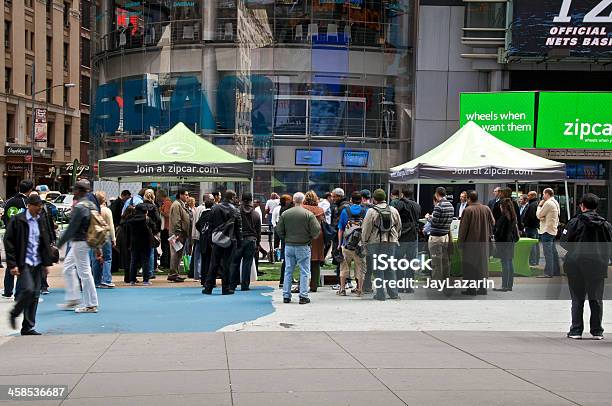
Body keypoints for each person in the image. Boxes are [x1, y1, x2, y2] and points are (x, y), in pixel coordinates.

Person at [561, 193, 612, 340]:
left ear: (582, 205)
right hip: (597, 265)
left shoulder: (574, 222)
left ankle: (576, 330)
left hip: (576, 265)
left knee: (577, 298)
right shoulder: (606, 225)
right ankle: (597, 331)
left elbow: (564, 242)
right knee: (596, 299)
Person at [6, 195, 54, 335]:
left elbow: (44, 242)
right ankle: (14, 313)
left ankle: (28, 326)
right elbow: (8, 242)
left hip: (37, 262)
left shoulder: (40, 220)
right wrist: (12, 264)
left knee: (35, 295)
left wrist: (46, 263)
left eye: (41, 206)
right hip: (23, 262)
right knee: (28, 290)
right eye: (37, 206)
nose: (40, 208)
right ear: (29, 205)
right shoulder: (18, 219)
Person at [57, 180, 99, 313]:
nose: (73, 192)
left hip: (79, 241)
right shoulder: (90, 204)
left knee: (84, 272)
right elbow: (97, 225)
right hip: (87, 240)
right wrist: (98, 247)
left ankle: (90, 304)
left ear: (78, 191)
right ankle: (74, 298)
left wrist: (59, 244)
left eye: (75, 189)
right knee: (68, 268)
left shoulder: (80, 207)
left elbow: (72, 228)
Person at [276, 192, 321, 304]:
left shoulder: (285, 214)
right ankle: (303, 296)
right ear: (303, 200)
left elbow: (279, 230)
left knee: (288, 270)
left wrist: (286, 238)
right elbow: (316, 230)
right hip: (303, 245)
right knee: (304, 271)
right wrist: (310, 238)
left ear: (293, 200)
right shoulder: (308, 214)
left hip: (289, 245)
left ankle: (286, 295)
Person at [362, 189, 402, 301]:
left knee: (378, 268)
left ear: (374, 199)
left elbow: (366, 229)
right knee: (389, 267)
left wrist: (365, 241)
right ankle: (393, 293)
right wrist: (395, 237)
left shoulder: (371, 211)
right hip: (391, 242)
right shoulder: (393, 210)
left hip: (375, 242)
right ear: (385, 198)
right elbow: (399, 226)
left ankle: (380, 294)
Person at [203, 190, 242, 295]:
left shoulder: (215, 208)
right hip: (230, 240)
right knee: (227, 265)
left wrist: (210, 239)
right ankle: (226, 288)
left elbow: (209, 225)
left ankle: (208, 287)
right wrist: (239, 242)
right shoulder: (235, 210)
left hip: (216, 239)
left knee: (214, 264)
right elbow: (238, 228)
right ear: (232, 198)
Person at [458, 190, 495, 295]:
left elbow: (463, 229)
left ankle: (471, 289)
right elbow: (493, 222)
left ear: (469, 199)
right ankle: (482, 288)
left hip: (470, 244)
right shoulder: (486, 208)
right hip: (484, 243)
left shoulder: (468, 210)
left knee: (470, 266)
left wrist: (460, 244)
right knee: (482, 266)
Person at [2, 180, 34, 299]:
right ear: (30, 190)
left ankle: (7, 290)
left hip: (9, 236)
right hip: (22, 237)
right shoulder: (27, 203)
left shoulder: (9, 202)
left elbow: (5, 218)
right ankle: (19, 293)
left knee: (11, 263)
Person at [337, 191, 368, 296]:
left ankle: (342, 289)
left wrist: (339, 243)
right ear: (361, 200)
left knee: (344, 266)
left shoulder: (345, 211)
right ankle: (359, 289)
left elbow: (341, 229)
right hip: (360, 245)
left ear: (351, 200)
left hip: (347, 244)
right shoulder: (366, 211)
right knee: (360, 267)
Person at [230, 193, 261, 291]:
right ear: (251, 200)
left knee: (235, 262)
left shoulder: (236, 211)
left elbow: (232, 226)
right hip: (251, 240)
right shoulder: (256, 214)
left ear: (241, 200)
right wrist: (258, 243)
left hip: (238, 239)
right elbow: (258, 231)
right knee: (247, 263)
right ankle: (245, 285)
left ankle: (232, 284)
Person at [394, 189, 421, 293]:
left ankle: (400, 285)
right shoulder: (417, 205)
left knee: (400, 261)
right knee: (411, 261)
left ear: (403, 194)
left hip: (402, 236)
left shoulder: (400, 204)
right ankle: (409, 286)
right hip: (413, 236)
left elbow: (395, 218)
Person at [426, 187, 455, 286]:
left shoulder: (439, 206)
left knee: (436, 261)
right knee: (445, 260)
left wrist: (428, 218)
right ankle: (446, 280)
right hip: (445, 236)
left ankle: (437, 282)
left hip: (436, 237)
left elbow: (434, 223)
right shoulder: (450, 205)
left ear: (437, 194)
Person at [493, 198, 519, 292]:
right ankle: (509, 285)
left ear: (503, 207)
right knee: (509, 263)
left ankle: (504, 286)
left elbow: (500, 232)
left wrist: (495, 238)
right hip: (510, 242)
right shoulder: (513, 216)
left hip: (504, 243)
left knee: (505, 264)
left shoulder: (504, 217)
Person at [303, 191, 325, 293]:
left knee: (303, 261)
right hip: (318, 236)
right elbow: (323, 222)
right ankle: (314, 285)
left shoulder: (302, 208)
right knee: (315, 260)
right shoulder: (320, 210)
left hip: (305, 234)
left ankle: (302, 284)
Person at [92, 192, 116, 288]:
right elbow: (111, 225)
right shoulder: (107, 210)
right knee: (107, 258)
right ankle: (106, 279)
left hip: (95, 236)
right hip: (105, 236)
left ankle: (96, 280)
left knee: (95, 259)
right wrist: (113, 238)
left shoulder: (93, 210)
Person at [126, 204, 154, 286]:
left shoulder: (131, 219)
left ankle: (132, 280)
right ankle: (145, 280)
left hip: (134, 242)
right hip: (146, 242)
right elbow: (154, 227)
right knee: (145, 261)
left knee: (133, 261)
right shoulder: (147, 219)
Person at [536, 188, 561, 278]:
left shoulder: (548, 203)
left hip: (546, 230)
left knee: (548, 253)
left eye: (543, 194)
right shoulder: (555, 202)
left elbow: (539, 215)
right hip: (552, 230)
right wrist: (543, 217)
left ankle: (548, 272)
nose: (543, 196)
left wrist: (539, 206)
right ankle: (556, 271)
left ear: (547, 194)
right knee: (553, 252)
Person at [330, 188, 351, 290]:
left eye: (334, 196)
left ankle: (341, 282)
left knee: (340, 258)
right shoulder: (346, 205)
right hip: (347, 237)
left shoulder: (341, 207)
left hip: (340, 237)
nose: (332, 198)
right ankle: (348, 281)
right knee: (345, 259)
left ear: (339, 196)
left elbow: (338, 225)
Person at [138, 189, 161, 280]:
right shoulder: (154, 207)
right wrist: (156, 230)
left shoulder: (139, 206)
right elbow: (158, 219)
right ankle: (150, 272)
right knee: (151, 251)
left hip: (140, 230)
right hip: (151, 231)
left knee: (140, 252)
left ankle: (143, 270)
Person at [168, 189, 190, 282]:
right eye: (185, 194)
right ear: (180, 195)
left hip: (181, 234)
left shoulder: (180, 204)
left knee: (178, 254)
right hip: (177, 234)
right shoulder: (177, 205)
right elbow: (176, 220)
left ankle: (175, 273)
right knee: (175, 254)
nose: (187, 196)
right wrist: (178, 233)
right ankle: (173, 274)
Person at [196, 195, 215, 287]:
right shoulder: (213, 214)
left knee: (204, 260)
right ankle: (211, 281)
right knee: (212, 261)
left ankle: (203, 280)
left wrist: (202, 232)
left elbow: (197, 225)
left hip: (203, 240)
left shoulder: (203, 214)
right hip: (211, 240)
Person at [275, 194, 293, 288]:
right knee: (287, 260)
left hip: (286, 237)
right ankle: (283, 280)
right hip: (288, 237)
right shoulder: (285, 210)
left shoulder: (283, 209)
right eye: (289, 199)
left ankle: (286, 279)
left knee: (287, 260)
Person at [191, 194, 211, 281]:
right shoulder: (204, 210)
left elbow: (197, 224)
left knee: (197, 255)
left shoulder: (198, 208)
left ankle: (197, 274)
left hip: (197, 234)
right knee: (201, 255)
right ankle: (199, 274)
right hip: (202, 236)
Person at [111, 190, 131, 273]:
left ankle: (116, 266)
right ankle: (117, 265)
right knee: (118, 248)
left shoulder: (117, 203)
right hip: (117, 227)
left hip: (117, 227)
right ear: (124, 195)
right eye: (127, 197)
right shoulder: (119, 203)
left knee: (117, 248)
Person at [116, 206, 135, 283]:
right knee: (131, 260)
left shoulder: (123, 220)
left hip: (122, 241)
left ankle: (127, 277)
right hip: (129, 241)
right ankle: (130, 277)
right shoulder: (130, 221)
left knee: (127, 260)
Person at [523, 191, 541, 266]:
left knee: (532, 245)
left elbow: (531, 216)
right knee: (535, 245)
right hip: (534, 227)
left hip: (531, 227)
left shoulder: (533, 205)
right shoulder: (535, 203)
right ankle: (535, 260)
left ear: (533, 196)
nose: (527, 196)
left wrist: (526, 223)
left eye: (529, 195)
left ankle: (533, 261)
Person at [157, 189, 172, 269]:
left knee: (165, 246)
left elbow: (167, 214)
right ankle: (166, 262)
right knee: (166, 246)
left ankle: (165, 263)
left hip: (166, 228)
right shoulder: (167, 202)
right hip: (166, 227)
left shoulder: (167, 203)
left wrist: (160, 211)